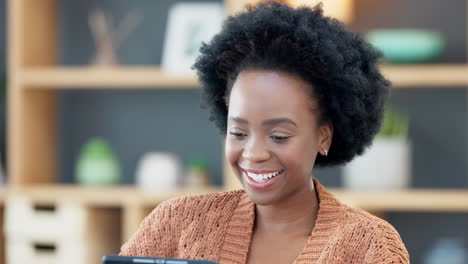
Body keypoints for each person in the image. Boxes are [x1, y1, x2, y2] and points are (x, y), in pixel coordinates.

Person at [120, 2, 410, 263]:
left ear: (324, 135)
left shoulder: (370, 247)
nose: (253, 153)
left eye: (279, 136)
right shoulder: (175, 225)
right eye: (238, 132)